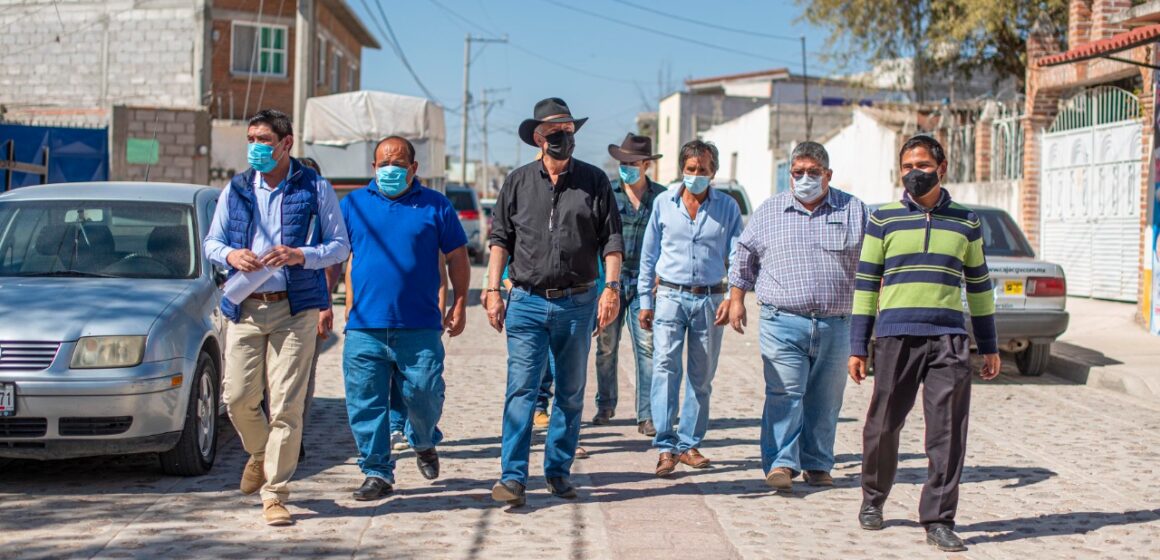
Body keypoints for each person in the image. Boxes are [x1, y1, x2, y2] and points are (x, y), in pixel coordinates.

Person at [848, 134, 1001, 553]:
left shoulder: (967, 222)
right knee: (882, 425)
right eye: (906, 167)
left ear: (942, 167)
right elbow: (865, 285)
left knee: (948, 434)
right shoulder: (883, 219)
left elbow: (980, 288)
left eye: (922, 165)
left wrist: (988, 344)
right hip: (896, 336)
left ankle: (938, 519)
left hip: (949, 339)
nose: (914, 173)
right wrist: (858, 345)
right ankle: (873, 499)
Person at [203, 109, 349, 526]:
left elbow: (339, 245)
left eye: (263, 139)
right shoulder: (236, 188)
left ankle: (275, 493)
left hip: (295, 308)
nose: (255, 147)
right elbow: (212, 241)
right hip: (245, 307)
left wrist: (301, 255)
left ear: (286, 143)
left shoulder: (314, 187)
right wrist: (232, 254)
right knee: (237, 398)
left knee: (286, 405)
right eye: (251, 138)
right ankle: (259, 452)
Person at [486, 98, 623, 506]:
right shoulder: (516, 182)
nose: (565, 139)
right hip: (525, 302)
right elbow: (499, 240)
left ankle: (558, 471)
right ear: (538, 138)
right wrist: (493, 290)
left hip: (577, 303)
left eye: (569, 131)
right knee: (521, 390)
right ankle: (512, 477)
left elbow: (611, 241)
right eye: (556, 133)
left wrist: (611, 289)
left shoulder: (595, 181)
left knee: (569, 391)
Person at [727, 142, 868, 491]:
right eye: (798, 172)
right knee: (785, 392)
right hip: (782, 321)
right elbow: (744, 256)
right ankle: (780, 464)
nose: (805, 178)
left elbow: (874, 264)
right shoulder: (770, 211)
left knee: (826, 398)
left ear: (828, 175)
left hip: (837, 323)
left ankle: (818, 464)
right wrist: (736, 299)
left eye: (813, 172)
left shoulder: (855, 211)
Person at [340, 136, 470, 501]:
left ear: (414, 169)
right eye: (384, 164)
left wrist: (459, 302)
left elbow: (457, 256)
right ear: (373, 168)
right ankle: (377, 471)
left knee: (424, 393)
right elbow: (337, 257)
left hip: (420, 325)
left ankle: (423, 438)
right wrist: (326, 303)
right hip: (365, 327)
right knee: (366, 402)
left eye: (399, 164)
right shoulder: (353, 205)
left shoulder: (436, 206)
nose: (391, 170)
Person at [638, 139, 741, 477]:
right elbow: (649, 255)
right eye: (691, 169)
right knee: (666, 370)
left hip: (710, 300)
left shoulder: (727, 207)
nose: (696, 175)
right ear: (682, 169)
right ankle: (665, 446)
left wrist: (733, 297)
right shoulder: (663, 203)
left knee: (702, 375)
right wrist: (645, 300)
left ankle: (689, 444)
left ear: (714, 172)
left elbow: (738, 255)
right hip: (669, 296)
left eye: (703, 170)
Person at [593, 133, 666, 437]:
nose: (627, 168)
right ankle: (606, 402)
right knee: (606, 345)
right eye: (623, 163)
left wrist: (662, 274)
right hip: (612, 281)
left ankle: (646, 415)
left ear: (646, 165)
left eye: (633, 163)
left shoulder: (662, 198)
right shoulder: (607, 193)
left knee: (647, 347)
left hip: (646, 283)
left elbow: (667, 239)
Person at [296, 156, 343, 462]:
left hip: (310, 304)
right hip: (270, 303)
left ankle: (293, 436)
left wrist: (325, 304)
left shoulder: (324, 214)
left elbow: (333, 262)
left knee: (301, 375)